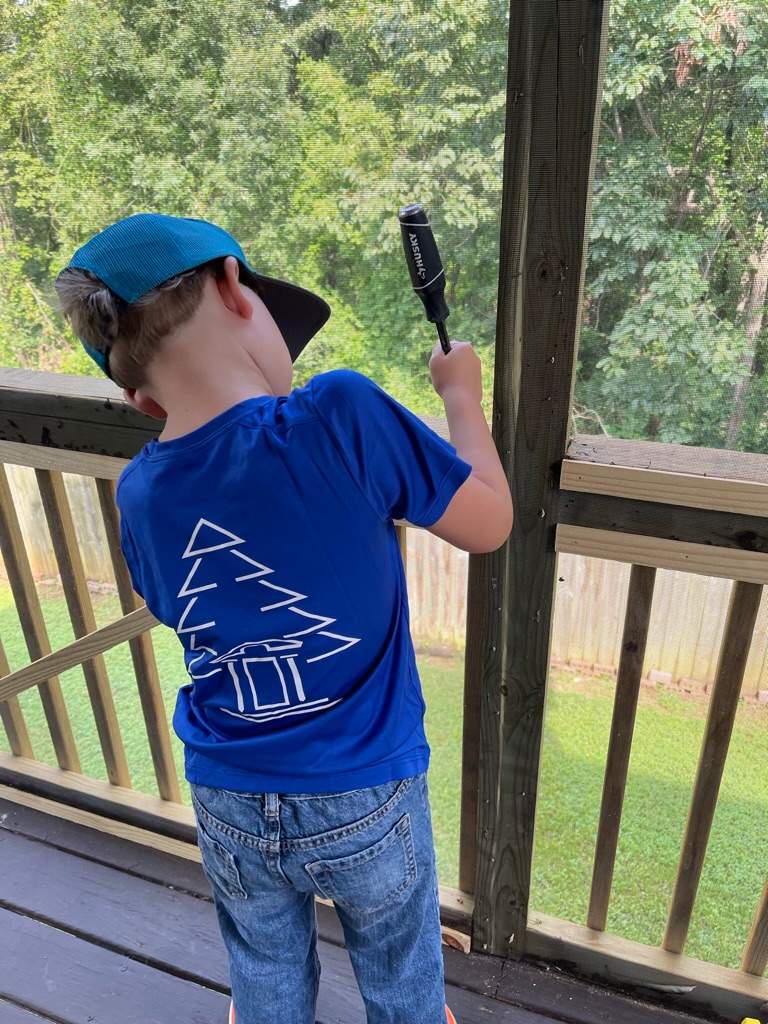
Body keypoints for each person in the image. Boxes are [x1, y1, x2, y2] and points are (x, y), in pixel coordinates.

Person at [55, 213, 513, 1024]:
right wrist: (462, 400)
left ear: (139, 398)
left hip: (227, 792)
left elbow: (173, 606)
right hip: (363, 786)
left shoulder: (143, 490)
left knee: (265, 980)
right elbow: (489, 524)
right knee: (403, 985)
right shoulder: (339, 411)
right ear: (235, 289)